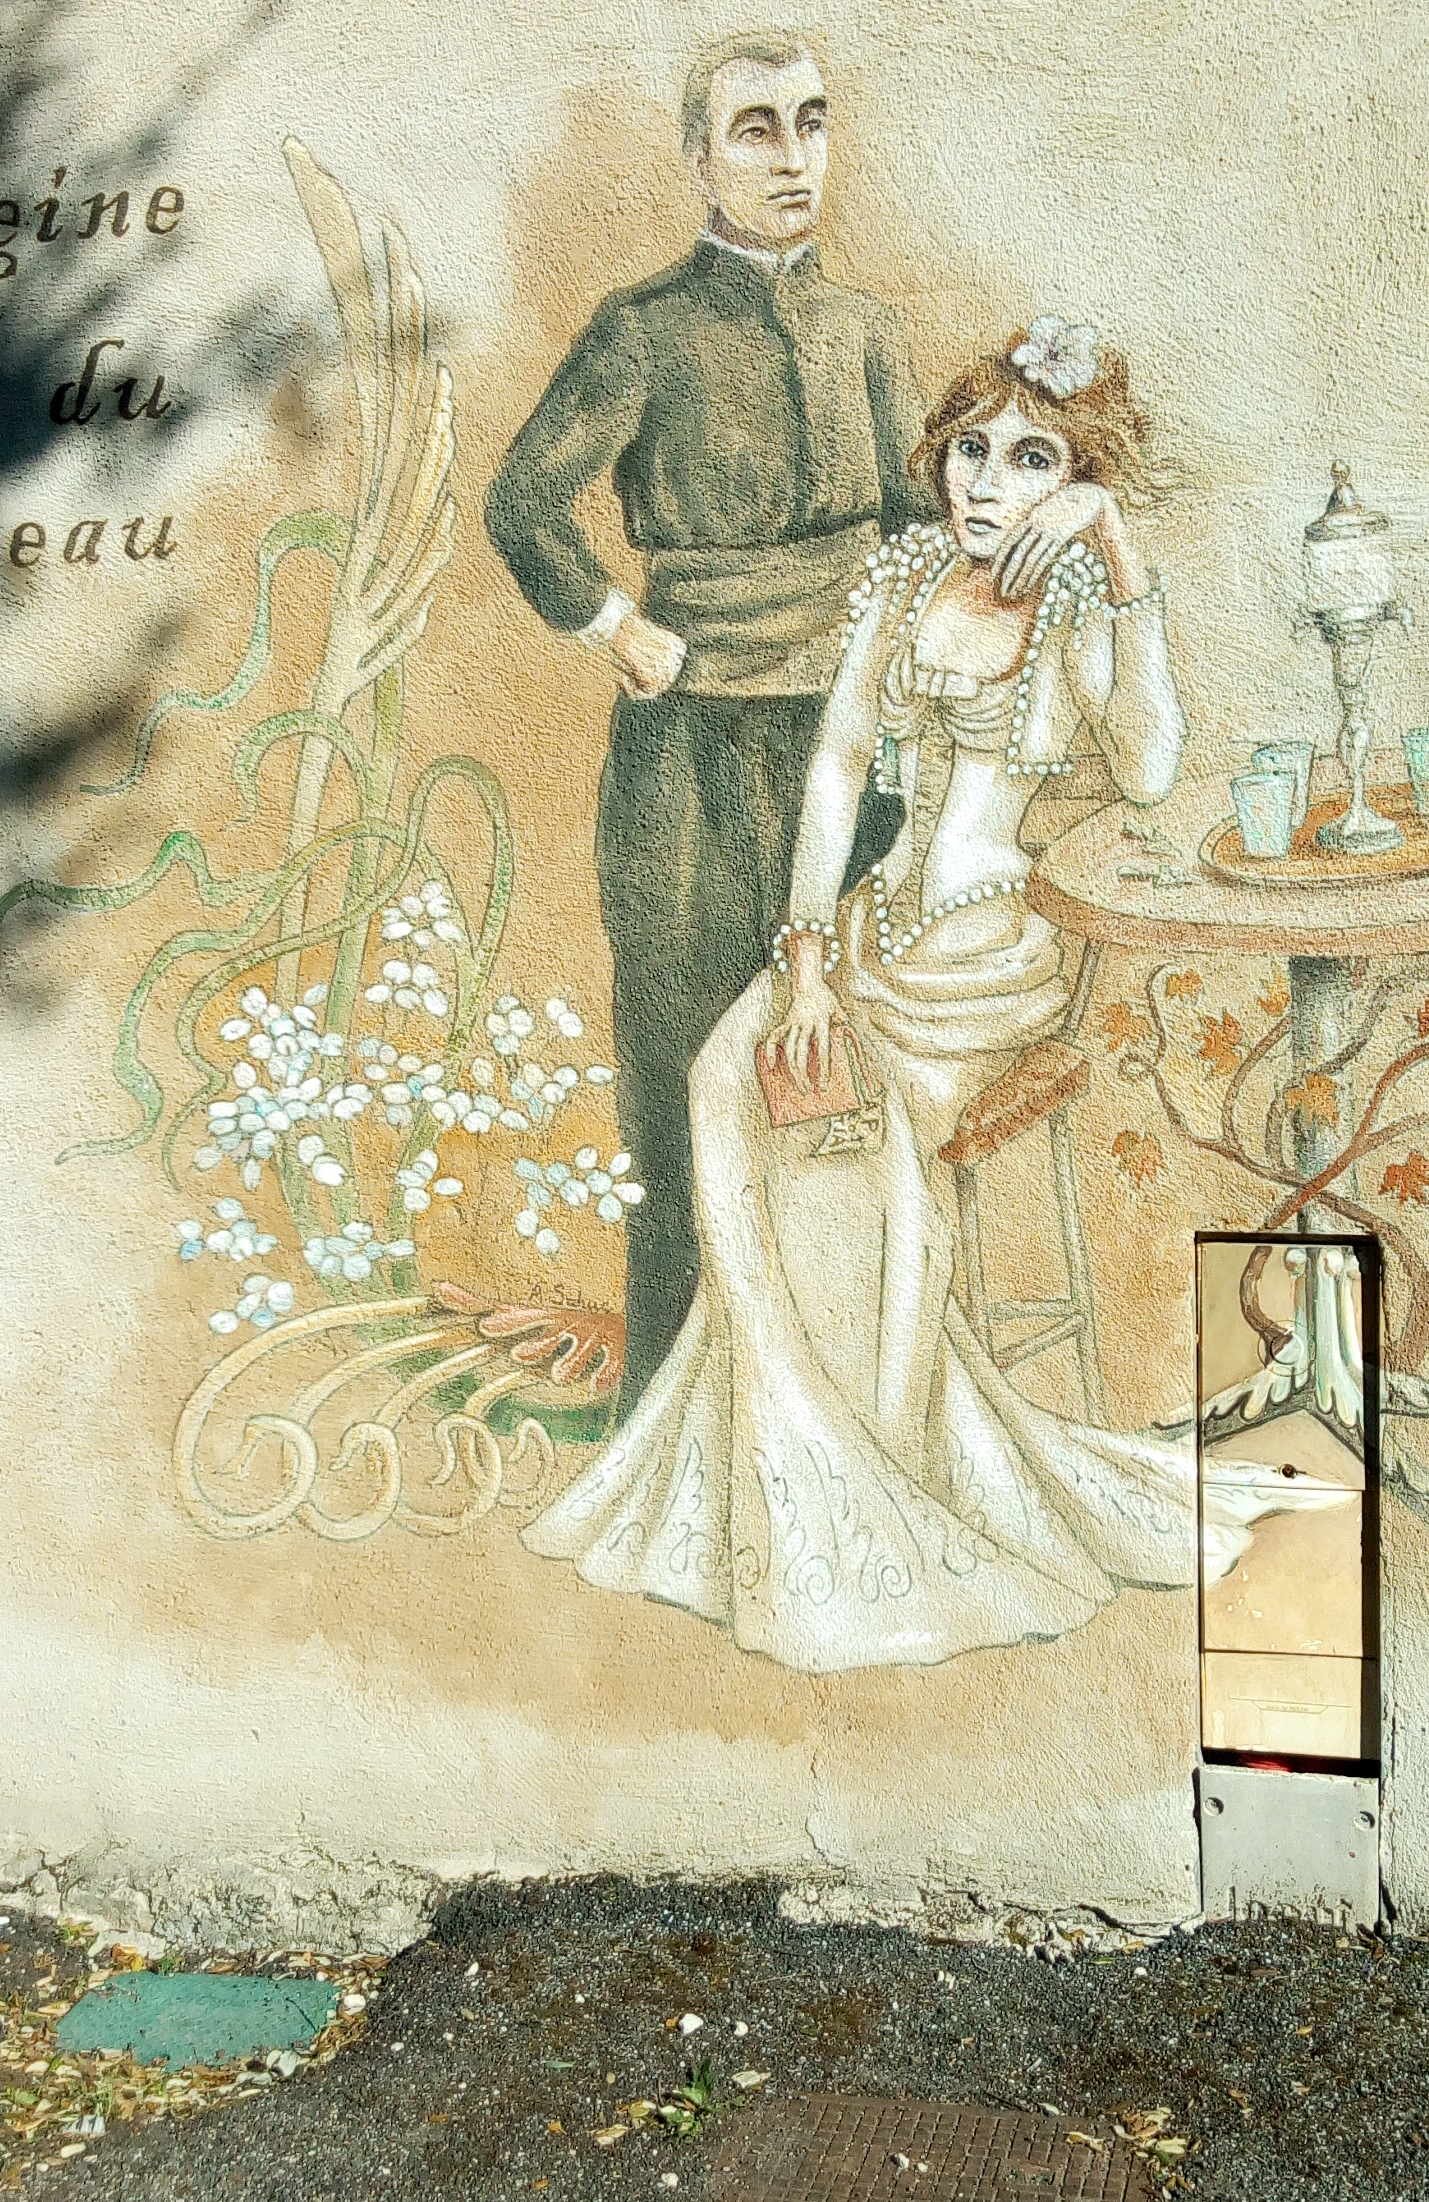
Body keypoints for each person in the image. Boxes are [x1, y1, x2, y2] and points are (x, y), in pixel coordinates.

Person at [522, 323, 1348, 1671]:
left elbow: (1149, 769)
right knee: (726, 1078)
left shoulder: (1079, 603)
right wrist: (802, 962)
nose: (984, 480)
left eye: (1031, 459)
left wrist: (1118, 553)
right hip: (864, 934)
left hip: (987, 961)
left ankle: (879, 1458)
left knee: (857, 1144)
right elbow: (838, 768)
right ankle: (781, 1460)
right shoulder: (906, 576)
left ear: (1077, 482)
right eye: (971, 447)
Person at [485, 30, 930, 1409]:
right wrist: (614, 627)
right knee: (685, 1081)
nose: (793, 157)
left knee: (841, 1088)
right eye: (756, 129)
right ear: (699, 160)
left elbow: (919, 532)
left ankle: (836, 1406)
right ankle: (673, 1412)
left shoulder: (868, 331)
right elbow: (522, 502)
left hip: (849, 758)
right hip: (689, 764)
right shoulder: (643, 330)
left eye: (812, 122)